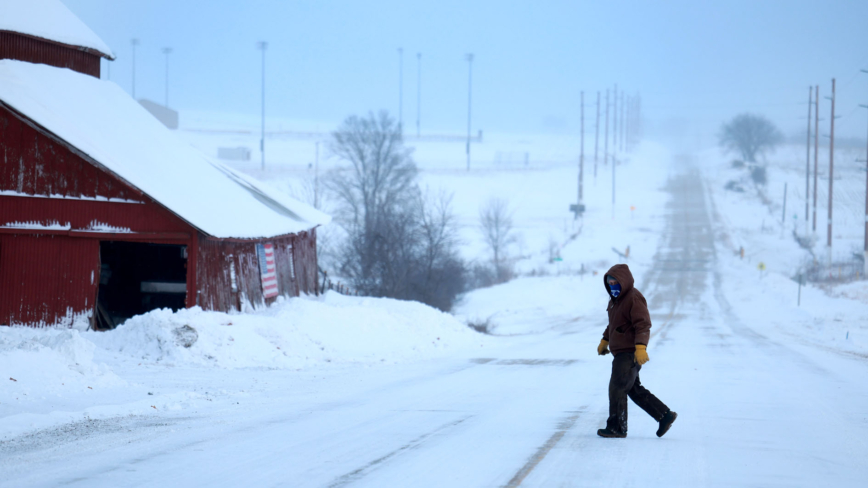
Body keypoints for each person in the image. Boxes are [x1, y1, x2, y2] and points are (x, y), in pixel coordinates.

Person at [596, 264, 677, 438]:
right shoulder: (614, 301)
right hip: (620, 352)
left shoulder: (633, 298)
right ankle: (664, 415)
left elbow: (643, 324)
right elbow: (614, 324)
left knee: (617, 387)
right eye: (609, 283)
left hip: (628, 353)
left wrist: (641, 347)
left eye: (615, 282)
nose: (612, 286)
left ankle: (617, 427)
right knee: (633, 389)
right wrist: (605, 340)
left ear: (623, 281)